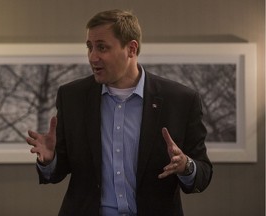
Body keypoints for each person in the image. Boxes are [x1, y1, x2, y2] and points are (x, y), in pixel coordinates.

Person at [26, 9, 212, 216]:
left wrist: (186, 165)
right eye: (89, 47)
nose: (92, 57)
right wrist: (50, 160)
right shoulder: (72, 97)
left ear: (131, 49)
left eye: (102, 47)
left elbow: (202, 175)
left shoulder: (180, 100)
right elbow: (57, 172)